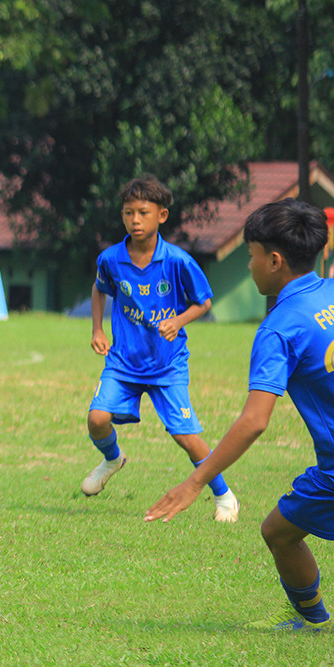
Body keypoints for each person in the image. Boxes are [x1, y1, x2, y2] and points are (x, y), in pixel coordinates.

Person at [146, 198, 334, 631]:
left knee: (278, 533)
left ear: (274, 260)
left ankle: (314, 620)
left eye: (250, 256)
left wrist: (195, 482)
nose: (248, 267)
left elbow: (254, 421)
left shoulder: (279, 327)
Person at [82, 175, 239, 523]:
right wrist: (97, 328)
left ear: (162, 216)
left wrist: (179, 320)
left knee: (186, 436)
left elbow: (205, 302)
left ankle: (224, 495)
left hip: (167, 364)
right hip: (123, 361)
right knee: (96, 419)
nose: (134, 220)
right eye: (128, 213)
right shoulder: (110, 258)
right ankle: (112, 459)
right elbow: (99, 289)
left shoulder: (178, 261)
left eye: (143, 212)